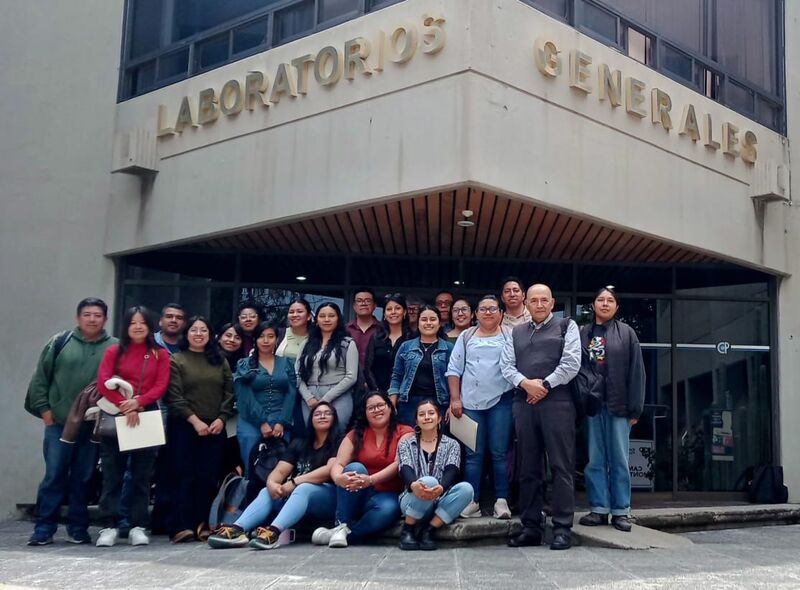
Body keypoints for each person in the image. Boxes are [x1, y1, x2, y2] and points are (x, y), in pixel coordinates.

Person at [25, 298, 117, 546]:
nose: (92, 319)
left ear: (105, 319)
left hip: (92, 426)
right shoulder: (60, 342)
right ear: (78, 317)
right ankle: (44, 528)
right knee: (54, 475)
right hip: (59, 424)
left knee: (83, 477)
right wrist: (45, 410)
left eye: (97, 315)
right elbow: (40, 379)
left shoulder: (115, 347)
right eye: (87, 314)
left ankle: (78, 528)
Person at [501, 284, 580, 550]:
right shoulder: (515, 332)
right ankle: (531, 526)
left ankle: (561, 528)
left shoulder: (566, 326)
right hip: (524, 403)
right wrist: (527, 385)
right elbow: (506, 366)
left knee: (561, 466)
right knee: (528, 468)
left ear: (552, 302)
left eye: (544, 300)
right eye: (533, 300)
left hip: (558, 402)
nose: (538, 304)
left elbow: (571, 363)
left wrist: (544, 386)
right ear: (526, 302)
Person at [207, 401, 341, 550]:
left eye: (327, 413)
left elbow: (329, 470)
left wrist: (295, 482)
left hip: (327, 497)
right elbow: (280, 471)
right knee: (267, 491)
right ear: (310, 419)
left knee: (304, 488)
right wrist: (272, 484)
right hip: (297, 495)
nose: (322, 416)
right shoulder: (299, 443)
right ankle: (237, 529)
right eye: (317, 413)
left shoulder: (339, 442)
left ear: (334, 418)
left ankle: (273, 532)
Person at [95, 306, 171, 548]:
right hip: (116, 413)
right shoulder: (114, 351)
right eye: (132, 323)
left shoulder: (160, 354)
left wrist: (138, 402)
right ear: (126, 326)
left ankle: (138, 525)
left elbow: (161, 385)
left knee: (141, 475)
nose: (138, 326)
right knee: (112, 473)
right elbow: (104, 382)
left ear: (150, 325)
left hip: (145, 413)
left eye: (142, 322)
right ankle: (109, 525)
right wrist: (124, 405)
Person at [578, 286, 646, 533]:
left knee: (619, 459)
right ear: (593, 305)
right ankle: (598, 508)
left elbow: (637, 372)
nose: (605, 304)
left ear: (617, 307)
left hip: (619, 405)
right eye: (600, 300)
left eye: (610, 300)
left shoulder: (627, 333)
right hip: (593, 406)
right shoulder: (584, 333)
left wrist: (635, 409)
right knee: (595, 459)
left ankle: (621, 511)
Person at [163, 316, 234, 543]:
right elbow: (174, 396)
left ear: (210, 335)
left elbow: (229, 394)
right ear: (187, 334)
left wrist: (222, 418)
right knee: (184, 475)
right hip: (184, 427)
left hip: (214, 428)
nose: (199, 334)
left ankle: (204, 524)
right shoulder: (176, 359)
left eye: (203, 330)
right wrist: (195, 421)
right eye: (194, 330)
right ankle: (182, 525)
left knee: (208, 477)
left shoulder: (219, 360)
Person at [311, 391, 413, 548]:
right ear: (365, 413)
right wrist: (338, 478)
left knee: (389, 509)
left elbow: (398, 464)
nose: (377, 410)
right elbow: (338, 464)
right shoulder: (355, 434)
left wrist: (371, 480)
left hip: (386, 494)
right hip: (356, 493)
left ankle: (344, 534)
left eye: (380, 405)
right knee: (355, 468)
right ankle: (341, 524)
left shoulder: (405, 432)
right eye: (371, 408)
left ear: (390, 408)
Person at [446, 295, 513, 520]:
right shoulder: (467, 336)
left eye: (492, 308)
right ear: (476, 314)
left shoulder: (510, 336)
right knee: (473, 455)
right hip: (470, 402)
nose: (487, 312)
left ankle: (501, 501)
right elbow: (454, 369)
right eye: (483, 309)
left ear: (501, 313)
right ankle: (471, 501)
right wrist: (455, 398)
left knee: (499, 453)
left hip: (502, 401)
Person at [397, 400, 473, 551]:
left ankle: (429, 531)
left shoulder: (452, 444)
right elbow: (405, 468)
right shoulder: (406, 443)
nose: (427, 417)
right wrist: (414, 485)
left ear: (438, 418)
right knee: (429, 481)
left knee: (467, 489)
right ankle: (408, 529)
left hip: (439, 500)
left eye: (431, 413)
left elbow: (452, 469)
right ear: (416, 420)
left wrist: (441, 488)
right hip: (412, 500)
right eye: (422, 414)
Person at [234, 321, 297, 474]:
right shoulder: (245, 364)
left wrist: (282, 422)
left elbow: (291, 392)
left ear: (277, 339)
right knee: (252, 468)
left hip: (281, 423)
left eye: (270, 336)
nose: (266, 340)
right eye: (261, 336)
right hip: (251, 422)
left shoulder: (286, 362)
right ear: (255, 340)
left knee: (279, 469)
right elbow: (244, 396)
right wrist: (261, 422)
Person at [297, 302, 359, 430]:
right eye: (322, 316)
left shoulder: (347, 343)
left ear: (338, 319)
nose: (326, 319)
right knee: (312, 437)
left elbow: (351, 377)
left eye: (331, 316)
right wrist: (308, 397)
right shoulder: (306, 343)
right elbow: (297, 373)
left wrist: (326, 399)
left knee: (336, 436)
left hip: (338, 396)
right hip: (310, 398)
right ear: (316, 319)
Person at [389, 305, 453, 426]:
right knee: (409, 440)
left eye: (433, 319)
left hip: (439, 403)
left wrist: (452, 404)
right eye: (424, 319)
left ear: (439, 323)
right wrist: (392, 402)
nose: (428, 323)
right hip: (408, 403)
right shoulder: (406, 347)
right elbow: (397, 376)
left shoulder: (449, 348)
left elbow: (455, 379)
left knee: (436, 441)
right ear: (418, 323)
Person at [276, 298, 312, 438]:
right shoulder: (279, 334)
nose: (294, 314)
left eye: (299, 311)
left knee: (302, 430)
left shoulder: (317, 337)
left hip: (306, 392)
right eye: (291, 312)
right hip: (281, 391)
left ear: (308, 316)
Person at [365, 294, 412, 392]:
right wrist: (376, 391)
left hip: (405, 394)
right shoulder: (376, 337)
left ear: (404, 312)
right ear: (385, 314)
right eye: (389, 309)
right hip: (378, 394)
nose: (393, 312)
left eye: (397, 308)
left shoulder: (412, 338)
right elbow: (368, 368)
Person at [345, 288, 381, 367]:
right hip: (350, 377)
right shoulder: (345, 330)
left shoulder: (383, 330)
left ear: (374, 305)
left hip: (376, 377)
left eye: (368, 300)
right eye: (359, 300)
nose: (363, 303)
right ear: (354, 306)